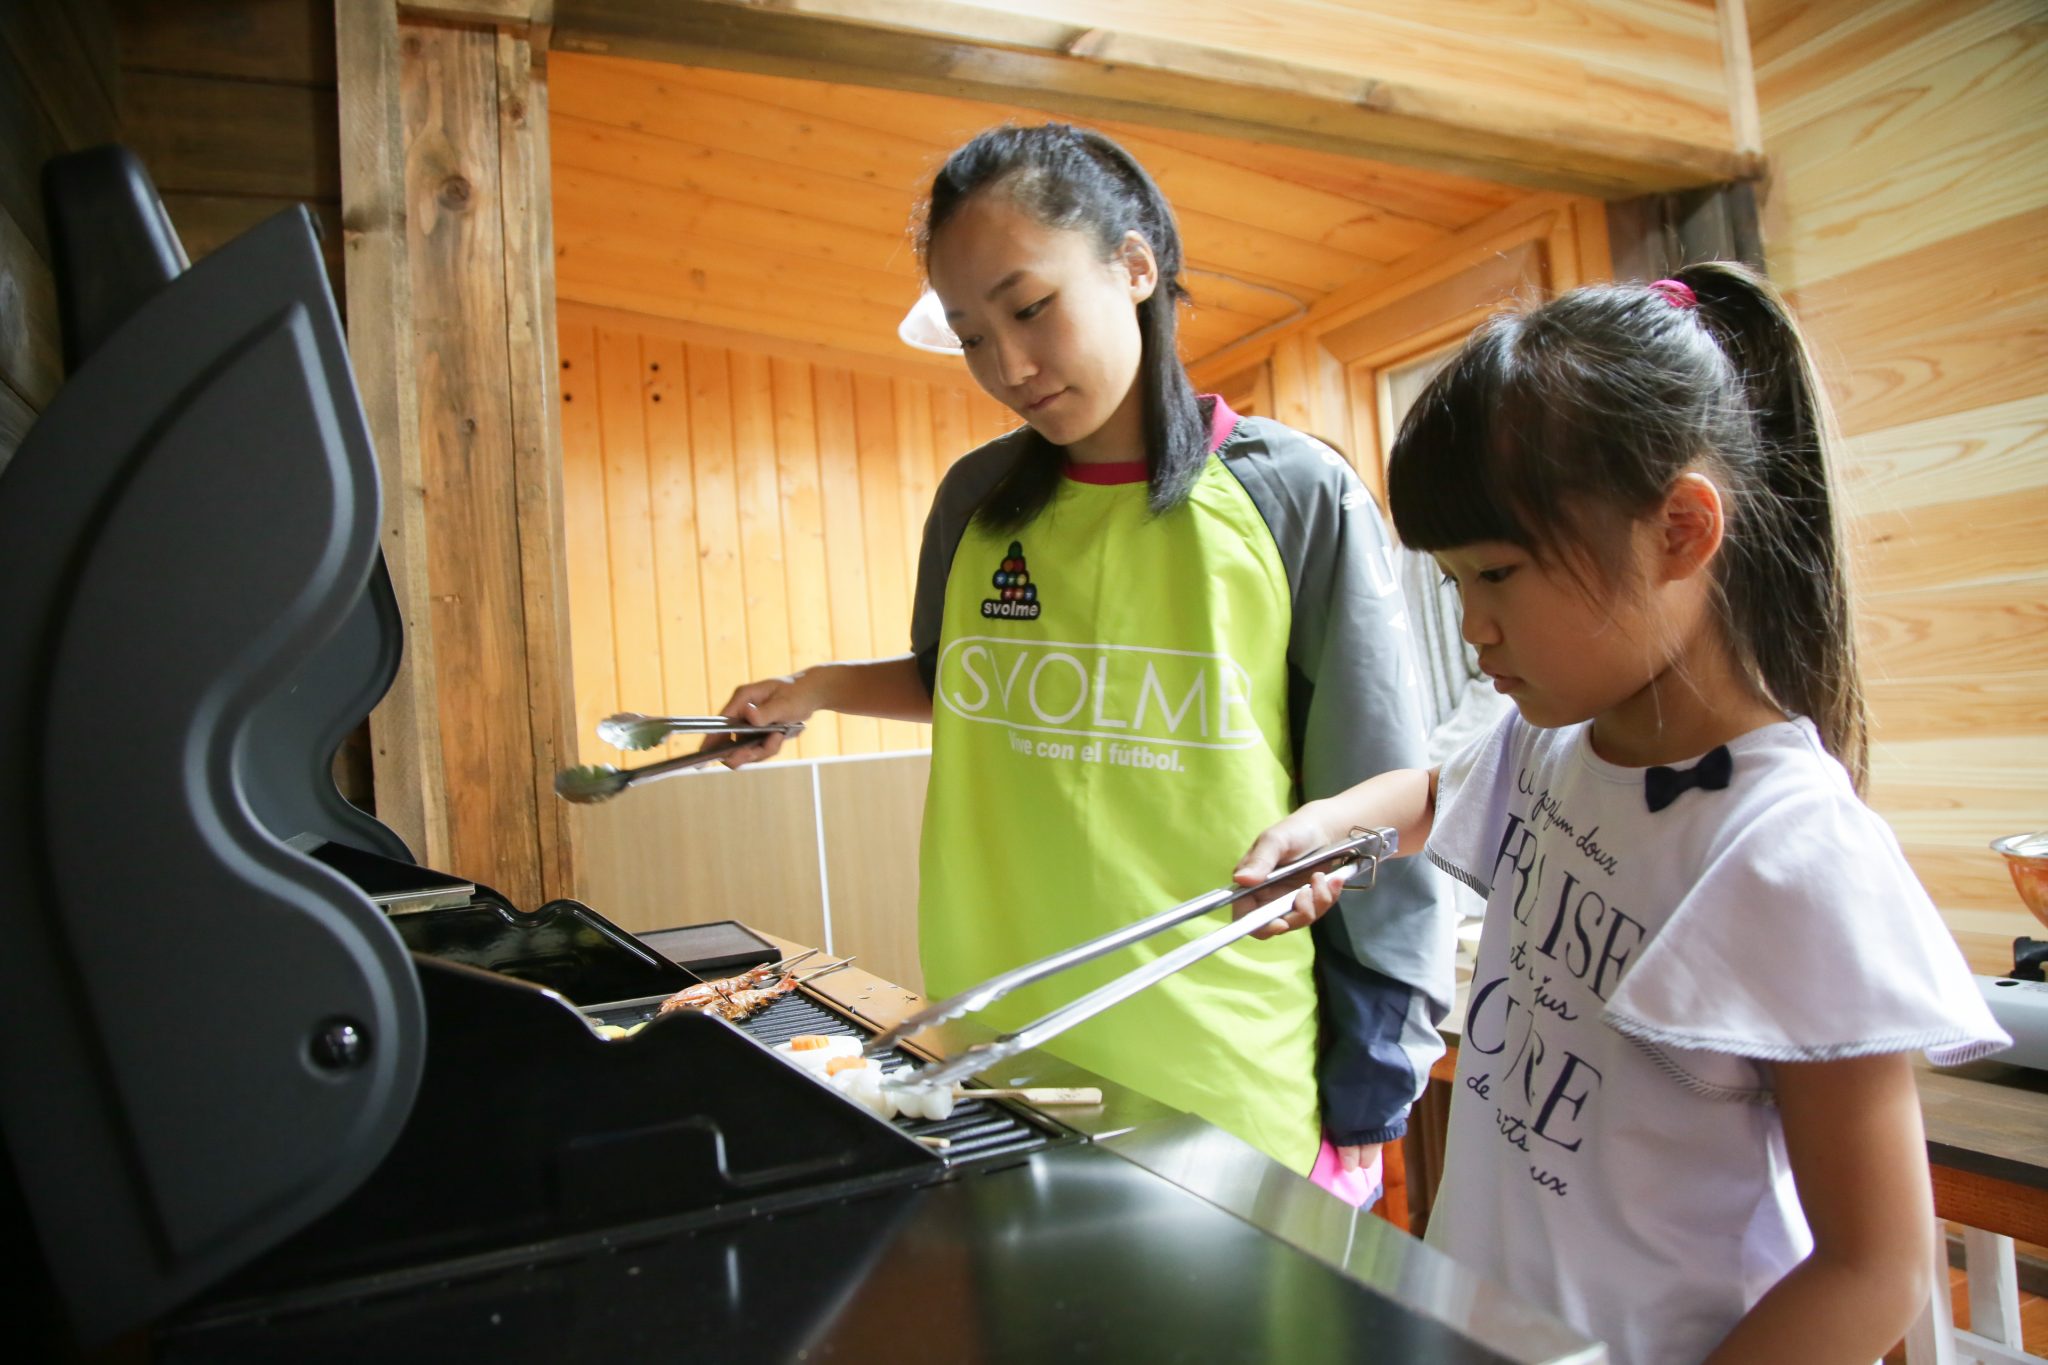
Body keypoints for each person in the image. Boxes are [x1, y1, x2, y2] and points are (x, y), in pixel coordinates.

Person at [1230, 263, 2010, 1362]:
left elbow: (1872, 1265)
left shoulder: (1788, 848)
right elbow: (1437, 795)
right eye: (1454, 585)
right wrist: (1329, 833)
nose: (1473, 628)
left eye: (1496, 575)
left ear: (1681, 532)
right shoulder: (1556, 741)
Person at [711, 123, 1452, 1192]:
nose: (1006, 366)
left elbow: (1380, 787)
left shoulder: (1289, 492)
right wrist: (816, 689)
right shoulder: (975, 503)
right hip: (996, 1060)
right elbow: (963, 682)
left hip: (1227, 1082)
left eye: (1028, 308)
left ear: (1135, 265)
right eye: (969, 335)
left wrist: (1378, 1070)